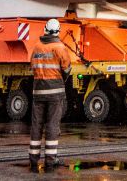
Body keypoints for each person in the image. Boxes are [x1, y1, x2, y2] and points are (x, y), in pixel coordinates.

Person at [28, 18, 72, 172]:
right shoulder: (60, 47)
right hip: (55, 93)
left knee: (37, 125)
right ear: (58, 31)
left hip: (38, 92)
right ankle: (50, 161)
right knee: (52, 126)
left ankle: (33, 159)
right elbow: (67, 69)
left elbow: (32, 67)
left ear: (45, 29)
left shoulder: (37, 47)